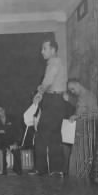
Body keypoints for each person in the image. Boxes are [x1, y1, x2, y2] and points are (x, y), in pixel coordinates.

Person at [29, 38, 67, 177]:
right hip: (58, 101)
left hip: (52, 100)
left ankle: (41, 169)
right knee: (55, 136)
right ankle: (56, 170)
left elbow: (48, 81)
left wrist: (39, 93)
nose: (42, 51)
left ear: (53, 50)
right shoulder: (59, 62)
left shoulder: (53, 62)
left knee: (41, 135)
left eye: (44, 48)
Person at [65, 79, 98, 179]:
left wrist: (78, 117)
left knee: (83, 160)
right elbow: (80, 110)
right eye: (70, 90)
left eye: (72, 88)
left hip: (87, 133)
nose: (72, 91)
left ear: (78, 84)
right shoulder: (81, 97)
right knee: (75, 160)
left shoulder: (89, 96)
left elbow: (96, 114)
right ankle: (75, 182)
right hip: (79, 133)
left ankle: (81, 183)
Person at [0, 106, 22, 175]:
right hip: (1, 143)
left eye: (1, 110)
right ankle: (3, 172)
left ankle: (18, 171)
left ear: (4, 110)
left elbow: (18, 131)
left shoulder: (12, 118)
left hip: (12, 141)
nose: (1, 112)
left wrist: (16, 143)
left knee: (16, 151)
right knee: (2, 151)